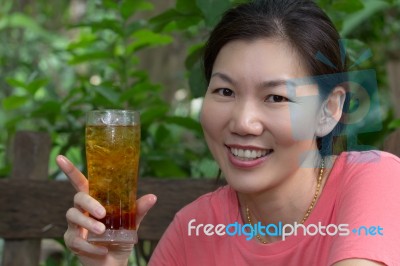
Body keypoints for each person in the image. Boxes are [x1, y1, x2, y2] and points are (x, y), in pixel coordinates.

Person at [56, 0, 400, 265]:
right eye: (224, 91)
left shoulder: (374, 178)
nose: (242, 122)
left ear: (329, 111)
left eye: (276, 97)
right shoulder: (195, 226)